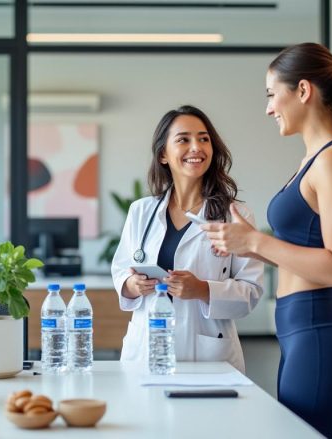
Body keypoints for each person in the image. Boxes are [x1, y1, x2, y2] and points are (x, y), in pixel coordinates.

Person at [201, 43, 332, 439]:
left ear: (302, 90)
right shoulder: (313, 159)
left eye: (271, 94)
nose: (268, 108)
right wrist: (244, 244)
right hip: (303, 333)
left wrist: (255, 243)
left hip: (320, 333)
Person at [110, 105, 264, 373]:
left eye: (204, 139)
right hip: (146, 349)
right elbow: (121, 270)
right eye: (183, 139)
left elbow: (251, 292)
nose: (196, 147)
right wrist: (131, 284)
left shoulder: (235, 215)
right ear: (163, 155)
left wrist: (203, 290)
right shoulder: (141, 211)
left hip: (208, 355)